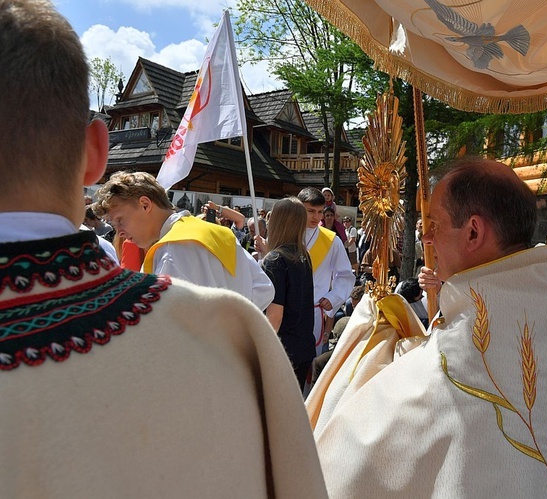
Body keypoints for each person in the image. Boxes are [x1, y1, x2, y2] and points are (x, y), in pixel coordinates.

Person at [0, 2, 326, 496]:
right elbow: (262, 298)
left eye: (122, 220)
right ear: (95, 152)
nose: (123, 234)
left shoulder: (172, 256)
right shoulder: (225, 318)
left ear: (148, 205)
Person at [311, 158, 547, 497]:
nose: (426, 238)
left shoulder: (468, 347)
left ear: (472, 231)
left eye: (435, 224)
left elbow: (348, 454)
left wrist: (375, 339)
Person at [94, 171, 274, 310]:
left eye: (120, 220)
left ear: (145, 204)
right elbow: (264, 289)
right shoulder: (218, 232)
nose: (119, 232)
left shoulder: (170, 251)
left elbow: (166, 328)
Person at [260, 198, 315, 391]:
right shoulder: (302, 255)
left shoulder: (275, 260)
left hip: (282, 350)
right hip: (303, 346)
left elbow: (275, 316)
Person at [298, 187, 355, 357]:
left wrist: (334, 297)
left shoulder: (331, 240)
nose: (317, 217)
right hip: (285, 311)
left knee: (310, 363)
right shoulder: (287, 234)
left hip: (314, 311)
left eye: (320, 212)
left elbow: (345, 274)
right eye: (311, 211)